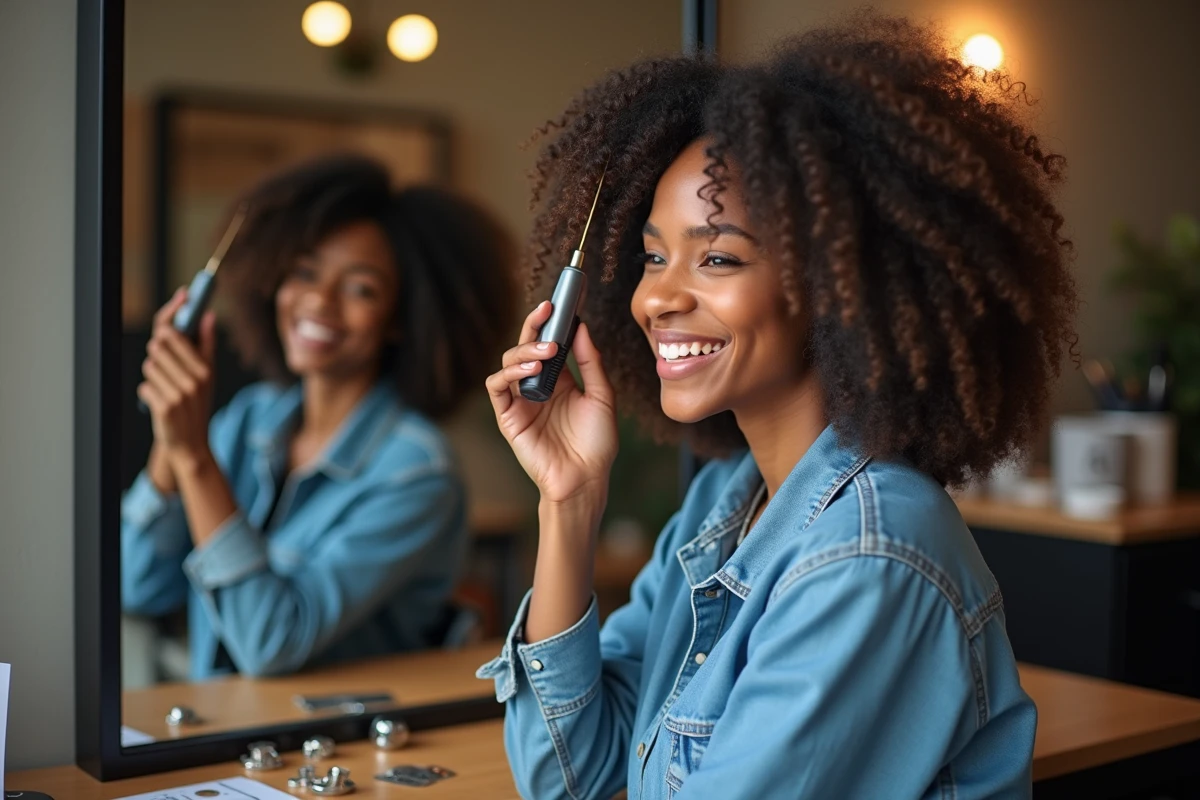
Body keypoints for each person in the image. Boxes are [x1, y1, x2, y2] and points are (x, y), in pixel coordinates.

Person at [478, 12, 1076, 799]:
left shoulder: (868, 558)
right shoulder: (725, 508)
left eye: (718, 257)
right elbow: (567, 776)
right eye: (654, 255)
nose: (657, 295)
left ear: (838, 286)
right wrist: (569, 499)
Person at [122, 154, 516, 679]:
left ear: (400, 320)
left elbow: (269, 641)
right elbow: (138, 584)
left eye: (360, 288)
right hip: (219, 735)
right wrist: (170, 440)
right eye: (305, 272)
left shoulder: (417, 472)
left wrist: (194, 457)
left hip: (337, 748)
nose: (318, 302)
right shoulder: (247, 420)